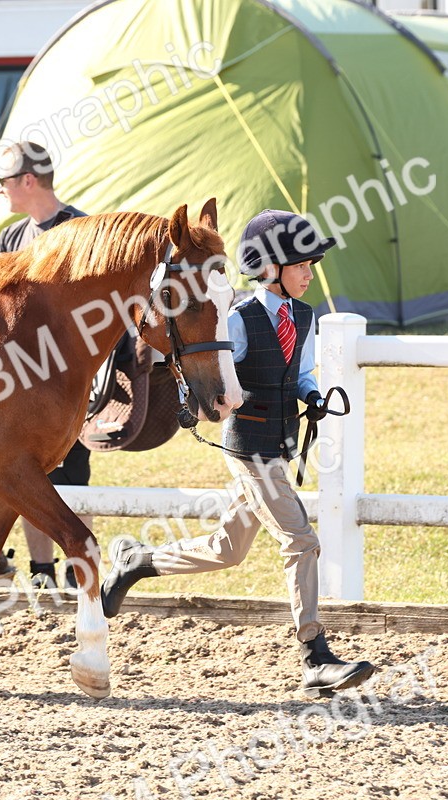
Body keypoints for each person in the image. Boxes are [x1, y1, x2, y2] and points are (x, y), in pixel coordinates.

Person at [100, 209, 376, 697]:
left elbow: (304, 370)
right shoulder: (239, 320)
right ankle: (315, 655)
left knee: (227, 551)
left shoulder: (304, 316)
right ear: (268, 268)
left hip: (282, 441)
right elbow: (212, 367)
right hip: (250, 447)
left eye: (312, 265)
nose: (310, 274)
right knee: (301, 540)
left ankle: (139, 562)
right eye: (302, 265)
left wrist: (311, 395)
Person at [0, 141, 91, 590]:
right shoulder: (10, 239)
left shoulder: (80, 231)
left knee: (74, 476)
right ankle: (43, 572)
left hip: (67, 383)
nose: (1, 191)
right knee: (27, 473)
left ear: (27, 181)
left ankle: (76, 570)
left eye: (4, 182)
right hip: (19, 385)